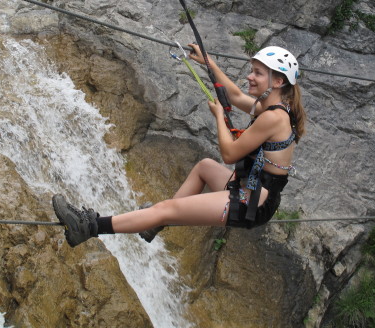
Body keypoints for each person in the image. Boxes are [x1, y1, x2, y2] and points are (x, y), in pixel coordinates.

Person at [52, 44, 307, 247]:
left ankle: (89, 227)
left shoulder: (273, 117)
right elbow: (236, 96)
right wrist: (208, 62)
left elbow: (229, 153)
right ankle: (154, 224)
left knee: (165, 209)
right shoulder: (275, 108)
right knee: (205, 167)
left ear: (277, 81)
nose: (249, 77)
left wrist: (219, 117)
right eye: (252, 70)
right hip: (254, 190)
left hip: (252, 202)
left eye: (258, 73)